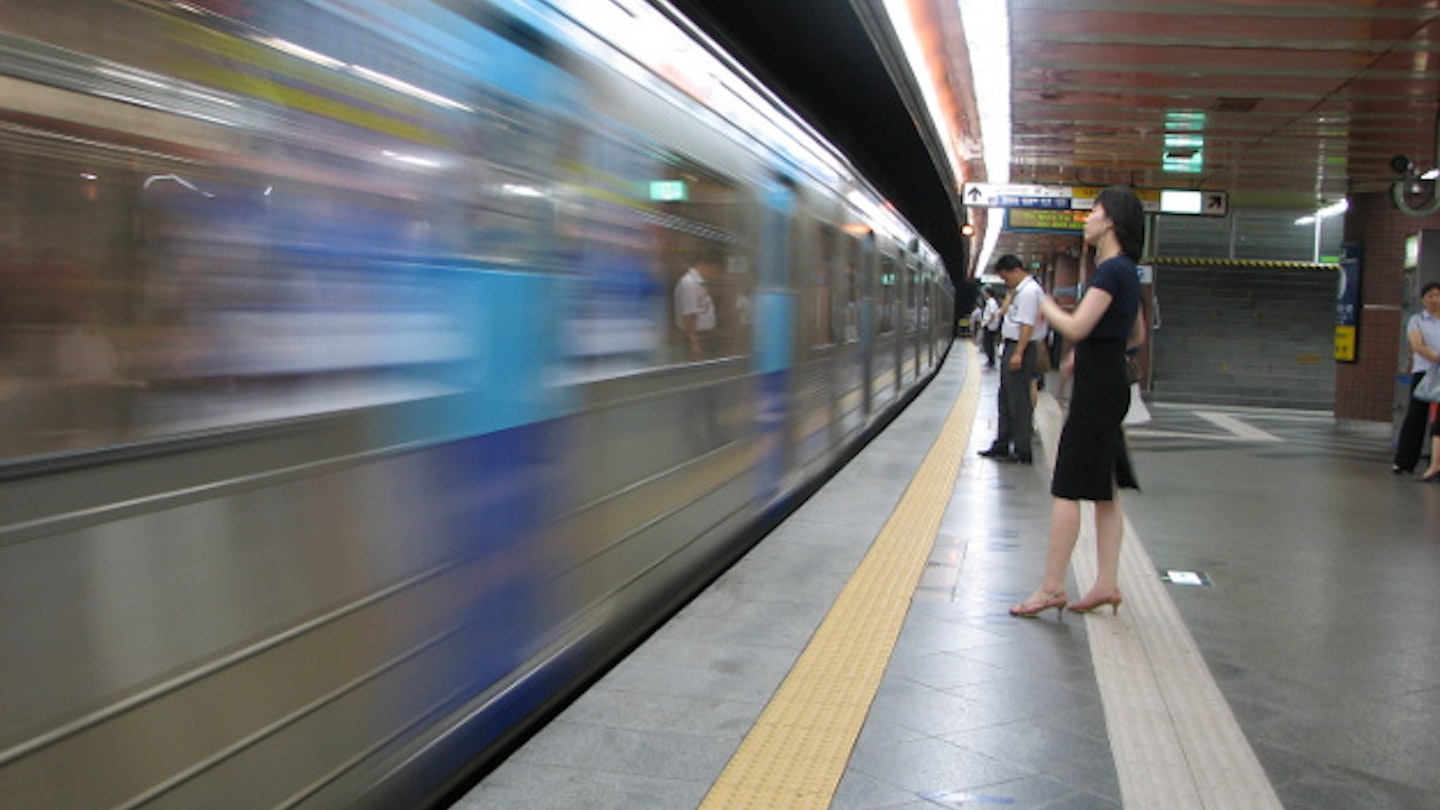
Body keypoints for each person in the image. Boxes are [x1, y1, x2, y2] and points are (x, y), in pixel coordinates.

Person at [1010, 186, 1146, 618]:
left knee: (1067, 487)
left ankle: (1052, 588)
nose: (1086, 219)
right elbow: (1137, 335)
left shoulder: (1109, 273)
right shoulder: (1127, 271)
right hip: (1109, 384)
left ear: (1111, 221)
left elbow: (1077, 325)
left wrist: (1044, 304)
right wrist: (1092, 354)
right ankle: (1105, 583)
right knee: (1104, 491)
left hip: (1095, 391)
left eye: (1094, 212)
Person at [979, 256, 1047, 464]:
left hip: (1020, 348)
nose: (1005, 282)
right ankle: (1003, 443)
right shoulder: (1021, 291)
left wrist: (1018, 353)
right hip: (1014, 346)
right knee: (1006, 397)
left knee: (1018, 401)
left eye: (1005, 277)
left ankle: (1022, 450)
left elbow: (1027, 325)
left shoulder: (1029, 292)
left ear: (1015, 270)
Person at [1393, 281, 1440, 475]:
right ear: (1423, 299)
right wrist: (1437, 357)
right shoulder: (1417, 320)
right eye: (1431, 296)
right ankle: (1404, 461)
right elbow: (1417, 344)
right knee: (1416, 416)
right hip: (1425, 372)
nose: (1436, 299)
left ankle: (1434, 460)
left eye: (1438, 295)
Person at [674, 251, 722, 361]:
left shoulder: (698, 282)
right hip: (696, 337)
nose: (713, 273)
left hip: (702, 336)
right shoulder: (690, 283)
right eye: (714, 269)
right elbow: (689, 315)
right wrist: (694, 343)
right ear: (705, 265)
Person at [981, 288, 1001, 368]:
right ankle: (990, 360)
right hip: (990, 325)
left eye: (985, 293)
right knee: (988, 344)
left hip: (990, 326)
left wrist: (986, 323)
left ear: (988, 294)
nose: (984, 295)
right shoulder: (991, 302)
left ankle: (991, 361)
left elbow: (993, 315)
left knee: (989, 344)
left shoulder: (991, 303)